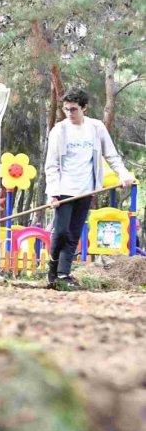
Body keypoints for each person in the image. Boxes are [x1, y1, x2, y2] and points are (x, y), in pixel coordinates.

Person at [44, 88, 134, 288]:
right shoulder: (59, 130)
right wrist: (52, 193)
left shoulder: (96, 127)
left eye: (74, 109)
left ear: (84, 108)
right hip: (64, 190)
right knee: (60, 232)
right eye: (66, 109)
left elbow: (111, 154)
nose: (69, 113)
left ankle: (63, 274)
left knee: (73, 233)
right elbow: (51, 165)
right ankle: (52, 270)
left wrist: (123, 173)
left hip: (87, 190)